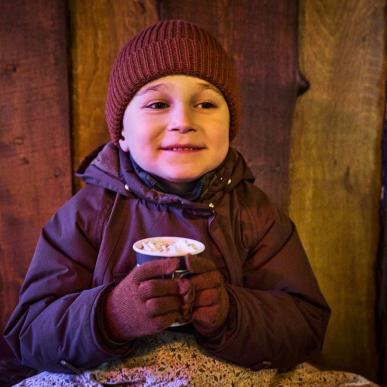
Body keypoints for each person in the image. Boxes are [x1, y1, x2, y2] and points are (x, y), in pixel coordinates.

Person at [4, 19, 330, 375]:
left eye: (205, 104)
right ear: (122, 135)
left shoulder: (255, 215)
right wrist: (112, 314)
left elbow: (306, 324)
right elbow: (29, 334)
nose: (183, 120)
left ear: (230, 127)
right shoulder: (87, 216)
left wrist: (230, 312)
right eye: (158, 105)